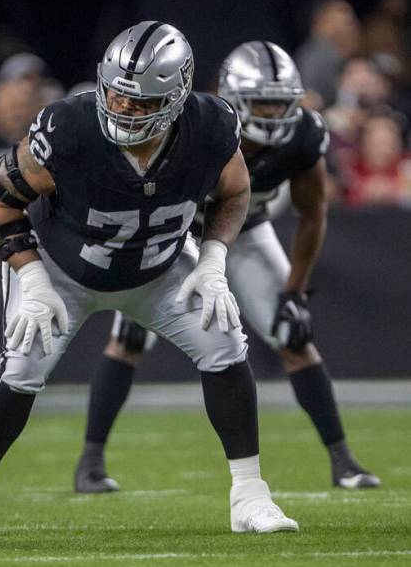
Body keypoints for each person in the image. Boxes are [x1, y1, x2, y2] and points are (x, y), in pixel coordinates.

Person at [0, 22, 297, 538]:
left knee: (225, 343)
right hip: (64, 270)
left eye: (142, 101)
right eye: (116, 94)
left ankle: (249, 495)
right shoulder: (69, 128)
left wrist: (213, 259)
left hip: (159, 268)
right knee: (21, 366)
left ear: (176, 98)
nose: (124, 108)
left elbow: (235, 192)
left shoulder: (212, 126)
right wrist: (34, 280)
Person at [73, 42, 380, 496]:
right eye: (262, 102)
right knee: (129, 337)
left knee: (294, 334)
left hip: (247, 233)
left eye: (281, 101)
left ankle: (343, 460)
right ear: (234, 97)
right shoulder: (200, 127)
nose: (274, 113)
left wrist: (295, 292)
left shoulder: (301, 135)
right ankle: (90, 461)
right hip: (177, 237)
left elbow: (313, 212)